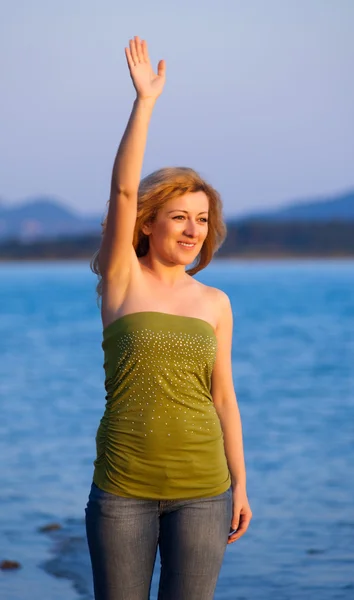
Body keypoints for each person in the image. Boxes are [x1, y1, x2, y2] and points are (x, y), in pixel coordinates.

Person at [85, 36, 252, 600]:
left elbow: (223, 397)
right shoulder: (120, 281)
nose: (191, 230)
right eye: (178, 216)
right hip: (122, 490)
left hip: (206, 491)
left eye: (202, 220)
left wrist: (241, 484)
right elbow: (124, 188)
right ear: (148, 222)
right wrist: (145, 102)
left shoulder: (215, 303)